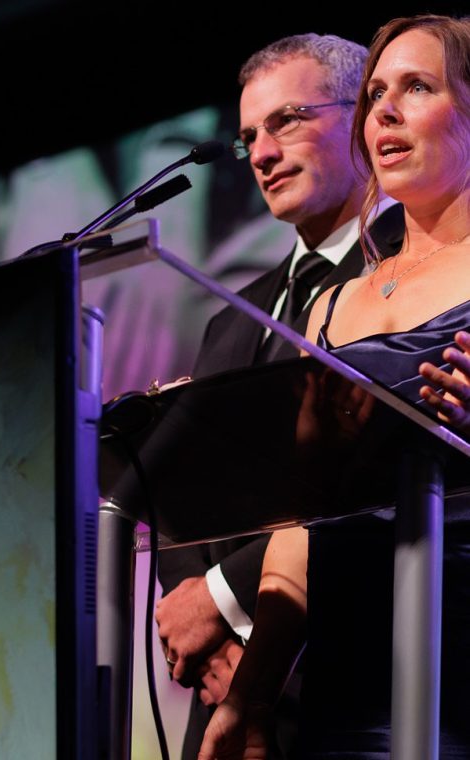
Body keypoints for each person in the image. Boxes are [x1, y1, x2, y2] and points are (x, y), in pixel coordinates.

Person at [198, 14, 470, 760]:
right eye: (375, 93)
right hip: (345, 694)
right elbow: (299, 526)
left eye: (416, 87)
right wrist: (251, 697)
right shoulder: (333, 306)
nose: (381, 111)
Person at [155, 33, 404, 760]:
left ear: (363, 116)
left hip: (355, 686)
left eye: (286, 120)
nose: (261, 153)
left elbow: (366, 478)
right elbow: (184, 495)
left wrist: (225, 605)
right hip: (228, 713)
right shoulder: (230, 317)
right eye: (247, 137)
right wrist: (208, 645)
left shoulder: (409, 278)